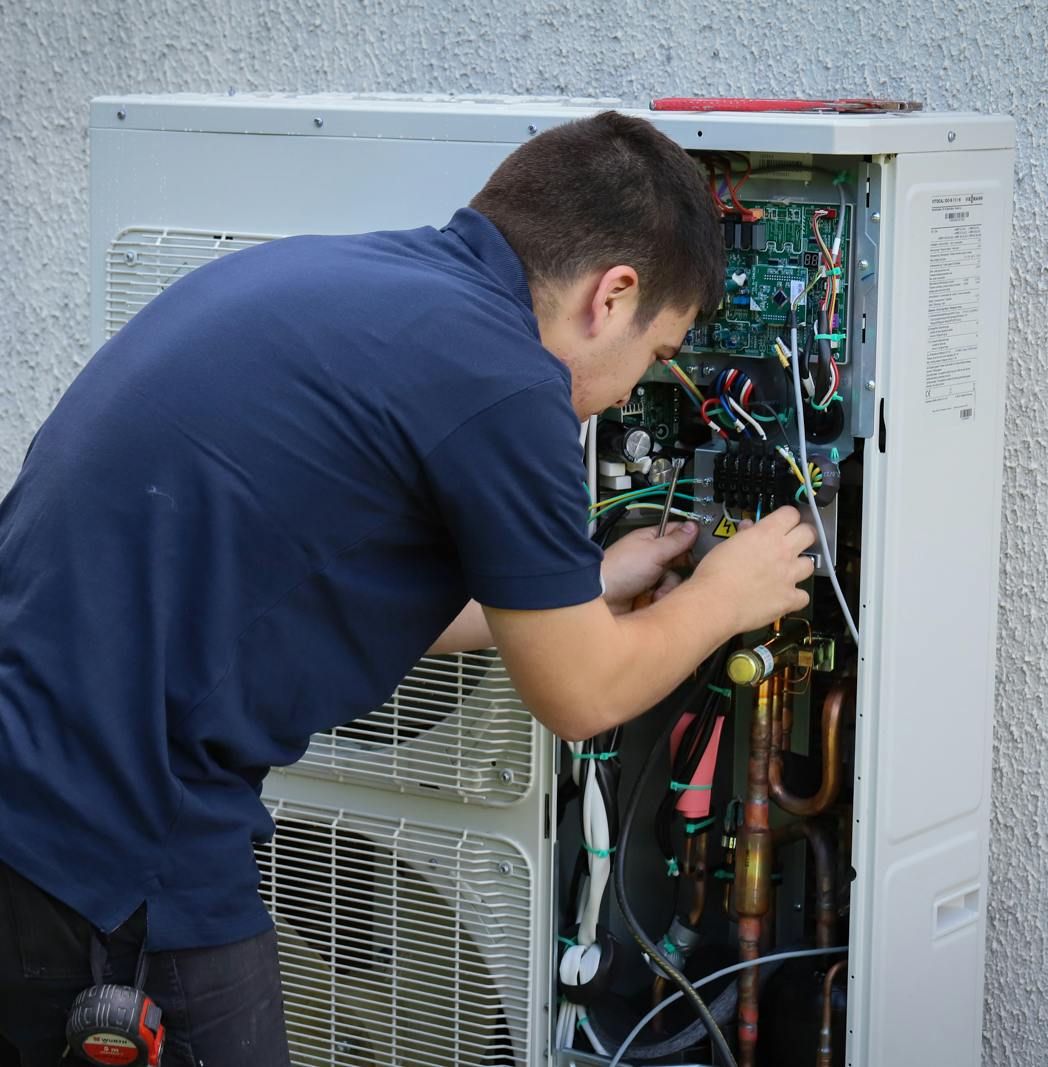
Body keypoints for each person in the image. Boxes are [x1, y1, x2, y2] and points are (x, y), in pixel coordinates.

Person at [0, 111, 815, 1066]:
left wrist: (584, 581)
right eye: (655, 351)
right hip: (113, 849)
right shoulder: (508, 381)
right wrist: (724, 591)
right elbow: (582, 694)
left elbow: (319, 582)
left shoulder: (352, 281)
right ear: (613, 294)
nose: (633, 392)